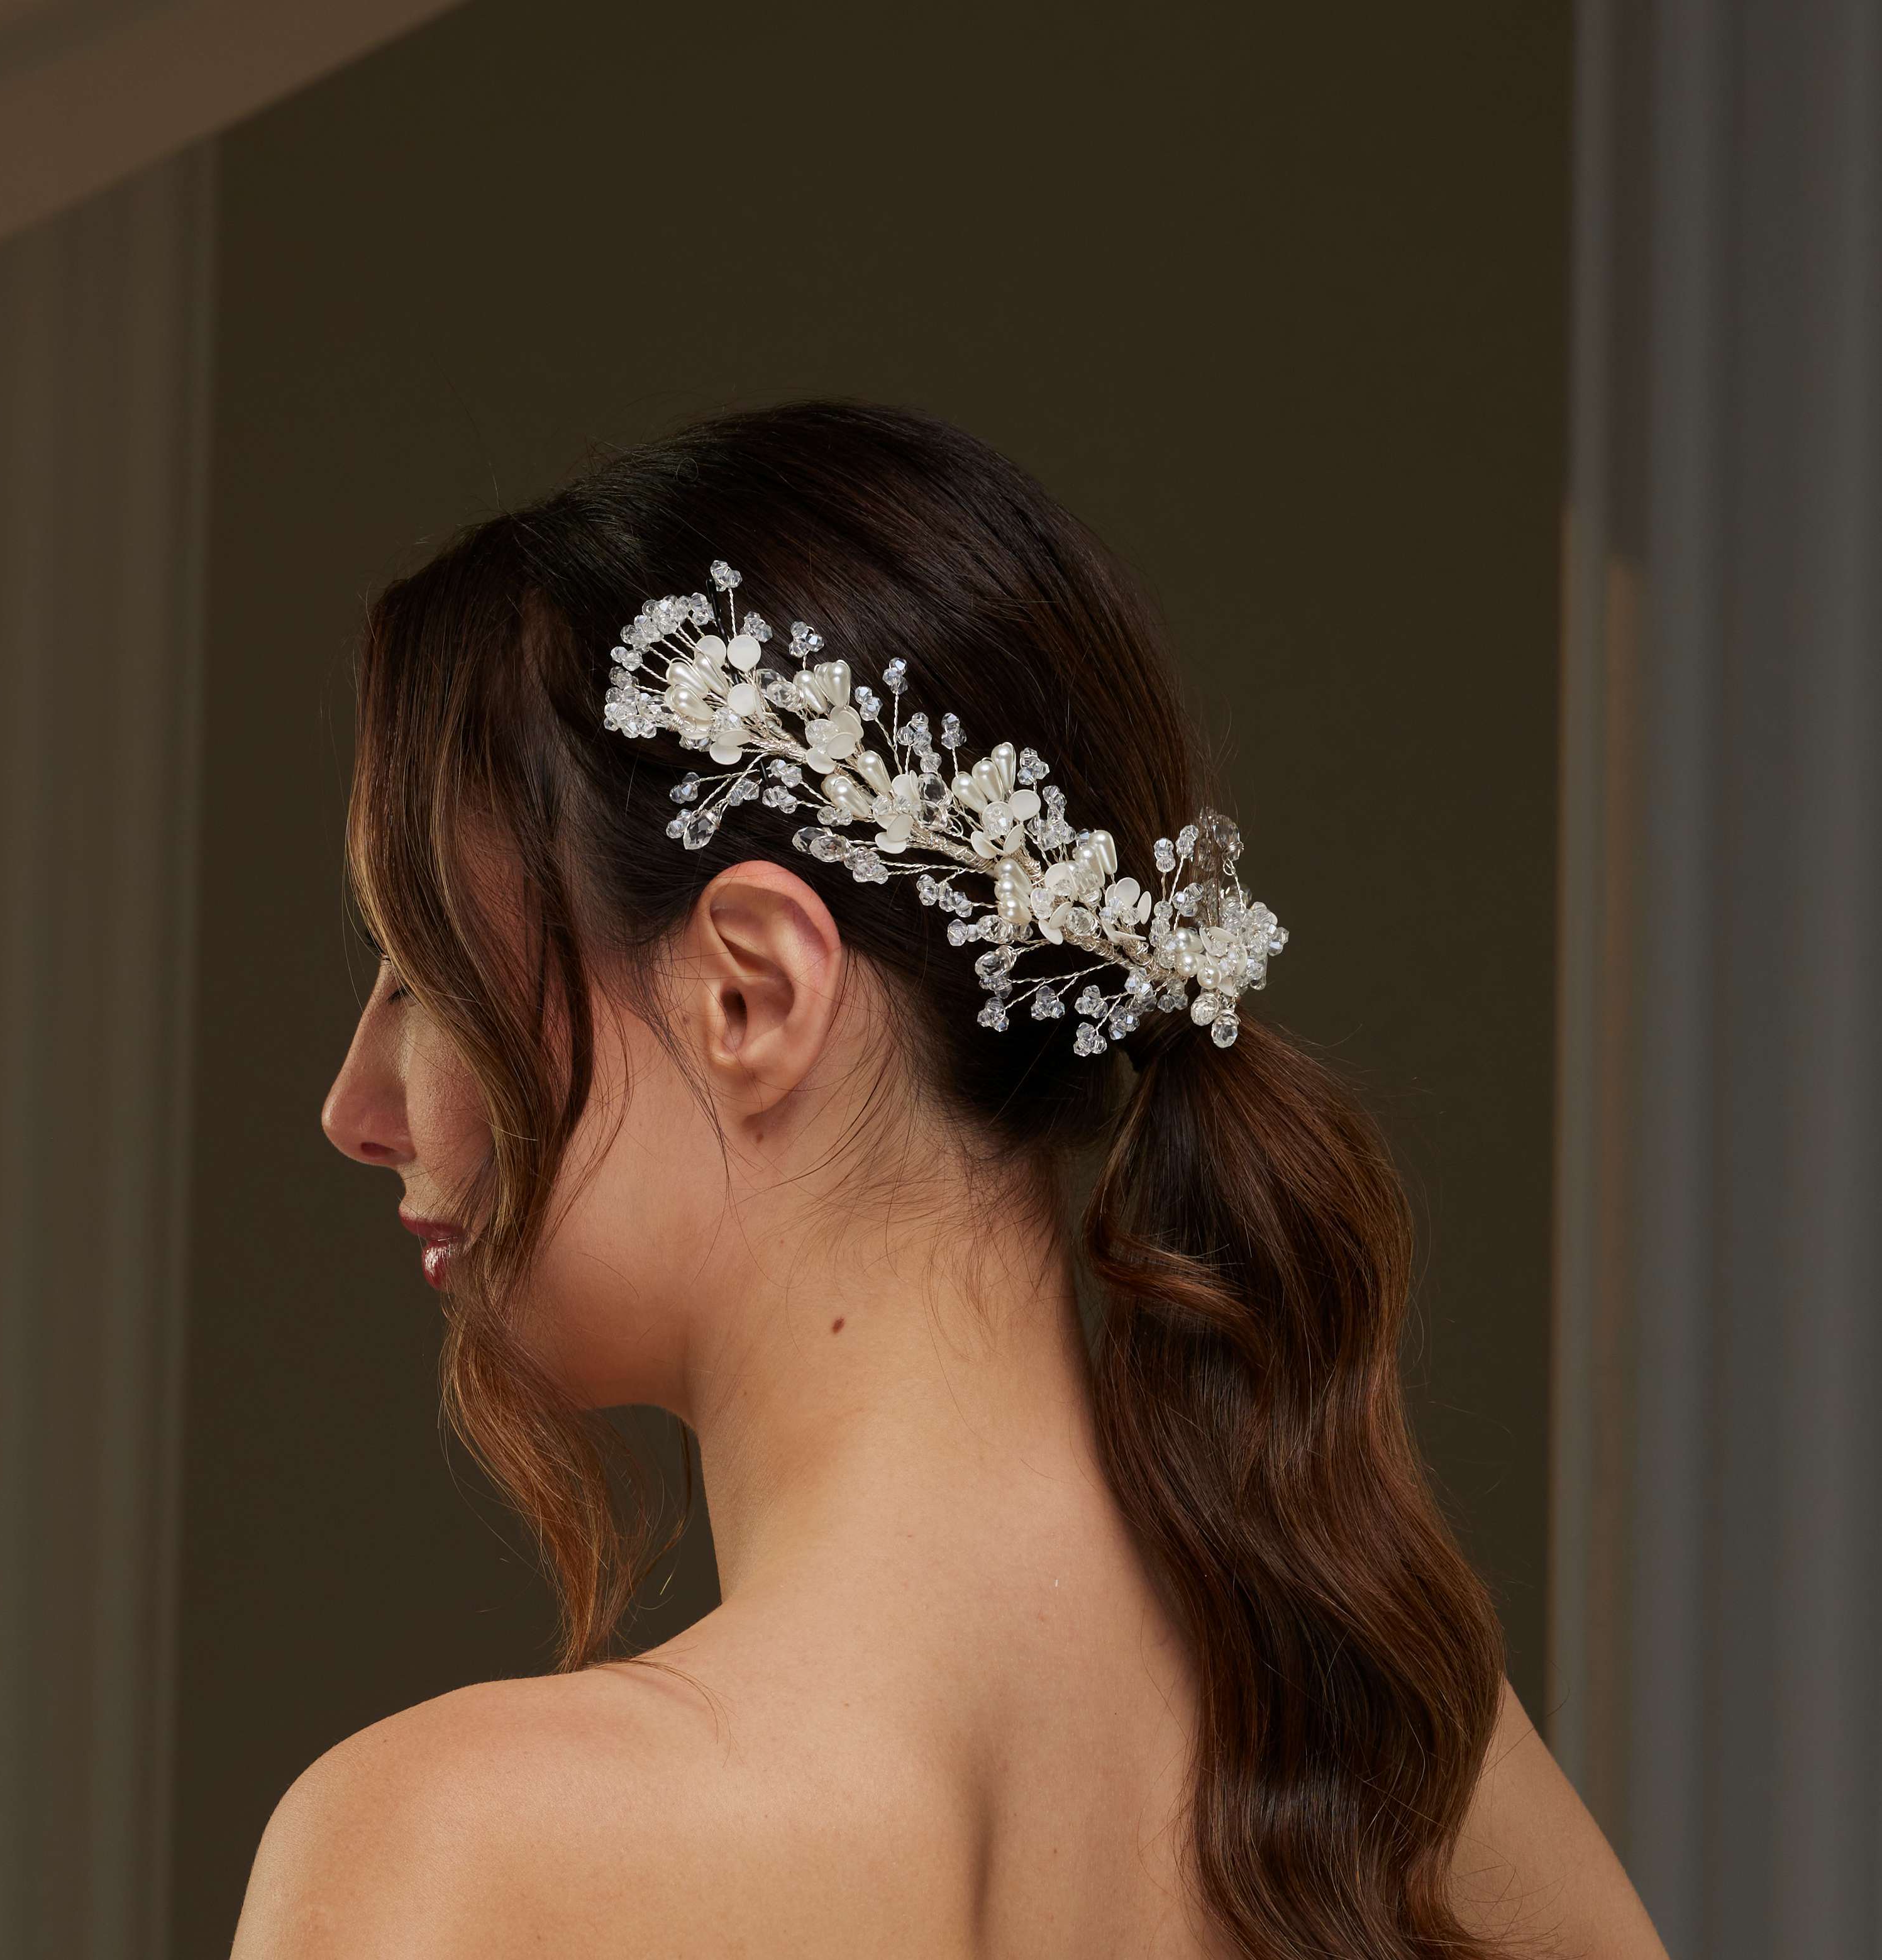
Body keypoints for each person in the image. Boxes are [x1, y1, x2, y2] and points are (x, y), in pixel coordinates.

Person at [233, 401, 1666, 1958]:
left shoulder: (460, 1854)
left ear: (751, 994)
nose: (355, 1105)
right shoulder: (1411, 1771)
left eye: (419, 971)